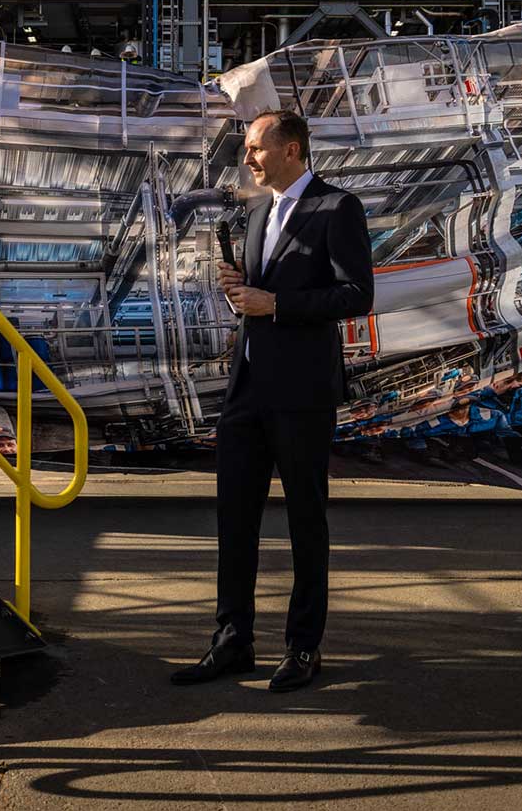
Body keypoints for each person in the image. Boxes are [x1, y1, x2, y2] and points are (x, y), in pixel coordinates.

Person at [172, 109, 373, 694]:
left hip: (303, 391)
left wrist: (275, 305)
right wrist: (242, 294)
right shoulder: (257, 215)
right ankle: (231, 640)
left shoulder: (339, 208)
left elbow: (356, 294)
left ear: (292, 148)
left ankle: (303, 648)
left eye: (257, 147)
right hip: (247, 389)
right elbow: (261, 298)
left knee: (306, 522)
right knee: (234, 520)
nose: (248, 157)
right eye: (247, 148)